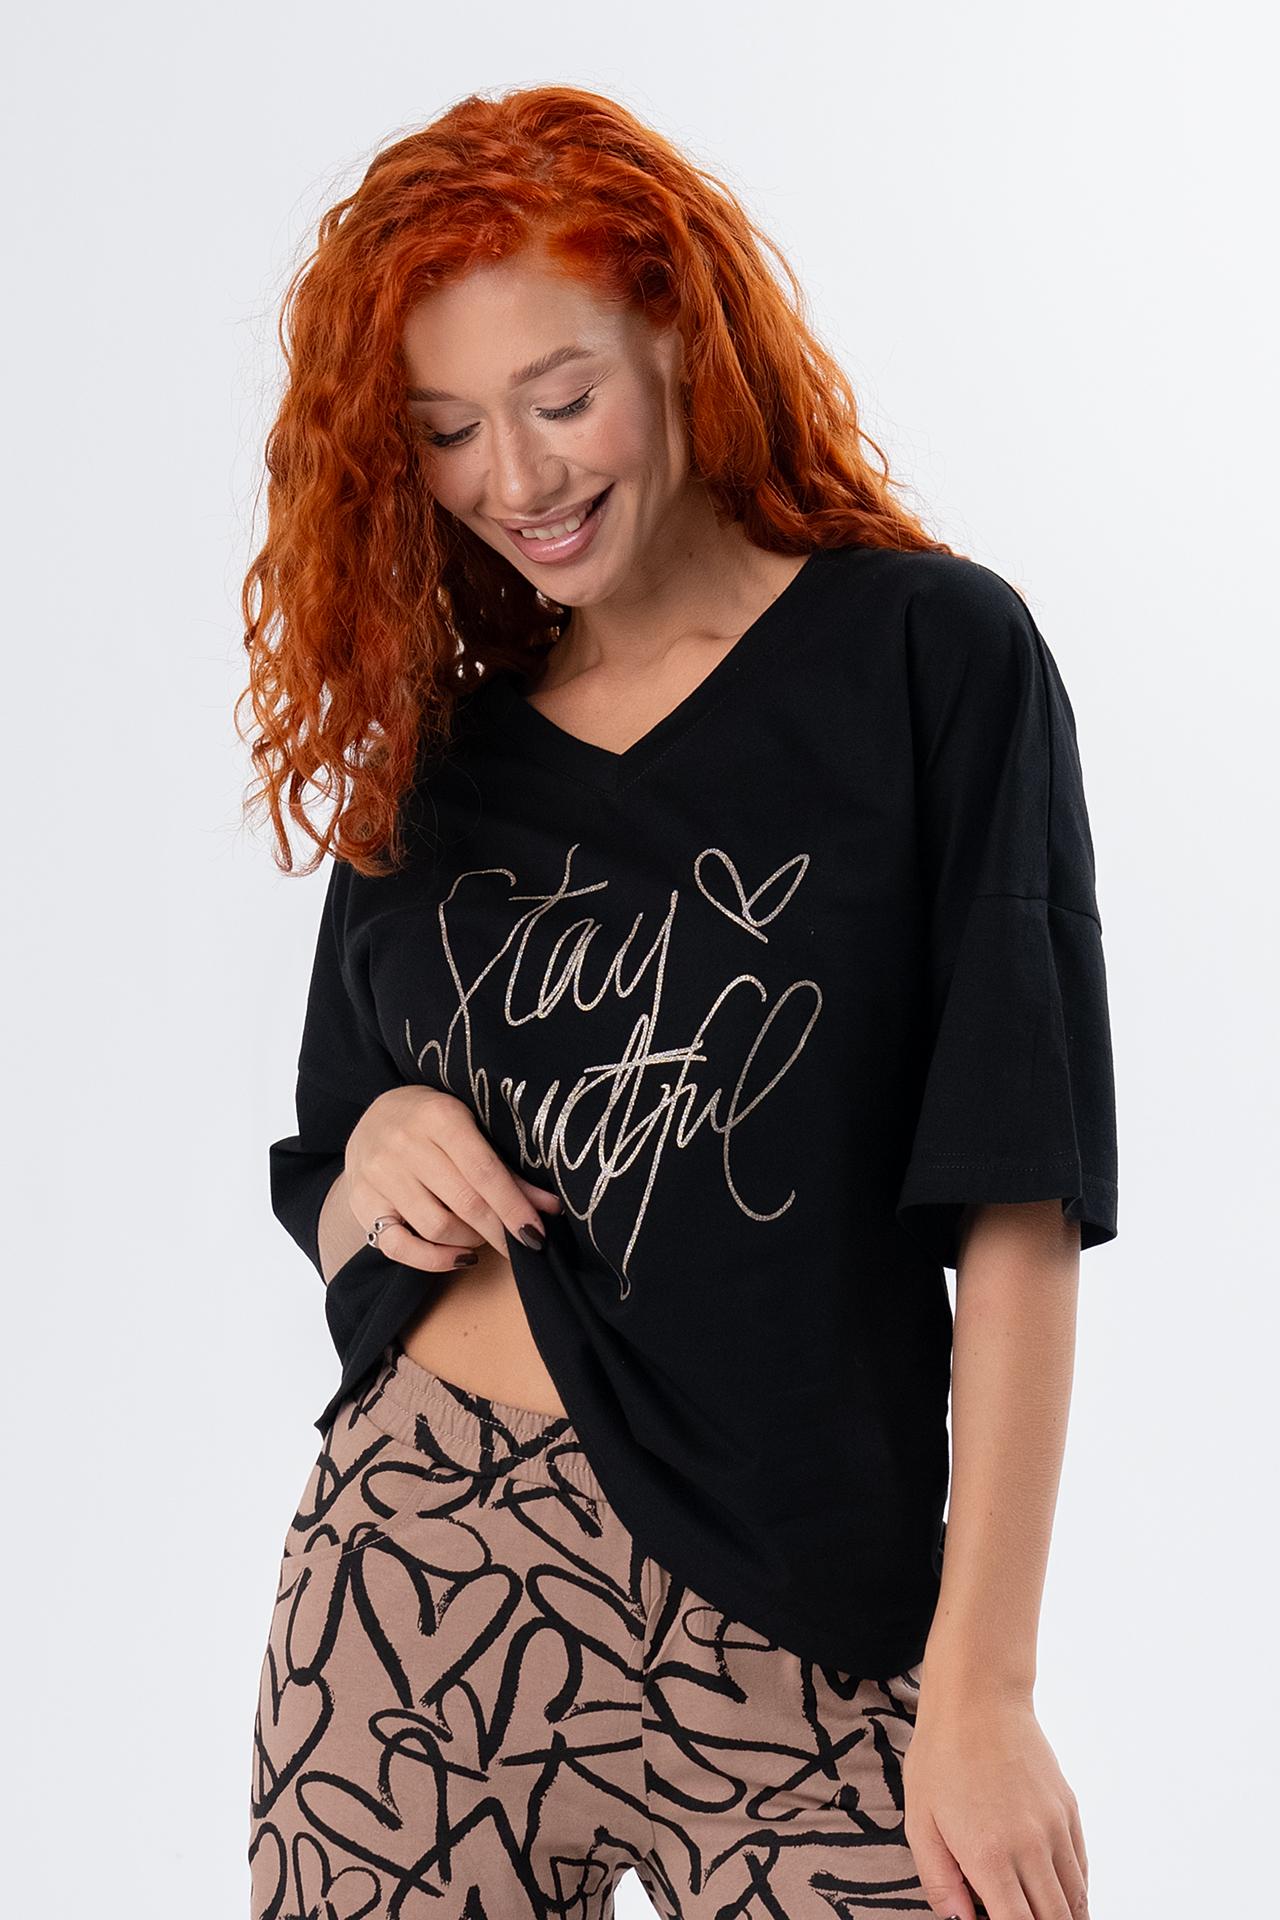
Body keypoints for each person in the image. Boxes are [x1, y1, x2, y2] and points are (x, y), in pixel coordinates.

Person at [239, 84, 1115, 1920]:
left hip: (807, 1614)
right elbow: (329, 1178)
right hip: (422, 1577)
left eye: (560, 399)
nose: (516, 479)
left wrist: (984, 1687)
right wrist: (381, 1145)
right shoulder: (440, 763)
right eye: (447, 432)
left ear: (680, 336)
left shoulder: (928, 658)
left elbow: (1018, 1195)